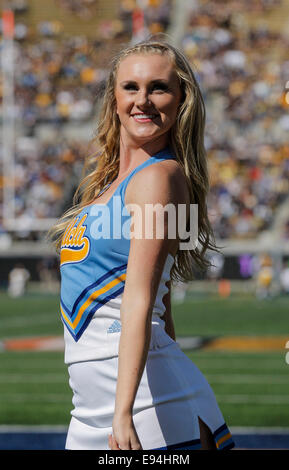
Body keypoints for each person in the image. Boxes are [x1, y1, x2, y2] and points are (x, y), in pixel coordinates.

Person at [47, 38, 235, 451]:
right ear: (113, 98)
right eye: (131, 87)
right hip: (91, 409)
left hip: (146, 406)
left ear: (181, 98)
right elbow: (163, 304)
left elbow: (140, 300)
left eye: (159, 88)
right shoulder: (105, 185)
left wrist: (123, 410)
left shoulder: (159, 177)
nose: (143, 100)